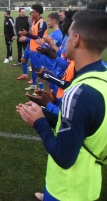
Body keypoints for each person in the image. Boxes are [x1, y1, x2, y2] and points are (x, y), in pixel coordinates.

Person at [16, 9, 107, 200]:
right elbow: (85, 124)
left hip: (65, 189)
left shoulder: (80, 92)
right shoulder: (101, 77)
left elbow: (64, 157)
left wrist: (38, 122)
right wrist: (52, 105)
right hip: (88, 184)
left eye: (69, 32)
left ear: (77, 39)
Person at [19, 4, 47, 91]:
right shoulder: (34, 21)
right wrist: (26, 35)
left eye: (33, 12)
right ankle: (34, 85)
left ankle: (41, 90)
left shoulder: (42, 22)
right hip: (31, 48)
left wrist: (26, 34)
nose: (31, 14)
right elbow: (32, 35)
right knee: (34, 67)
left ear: (37, 13)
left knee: (38, 70)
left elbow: (39, 37)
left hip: (38, 50)